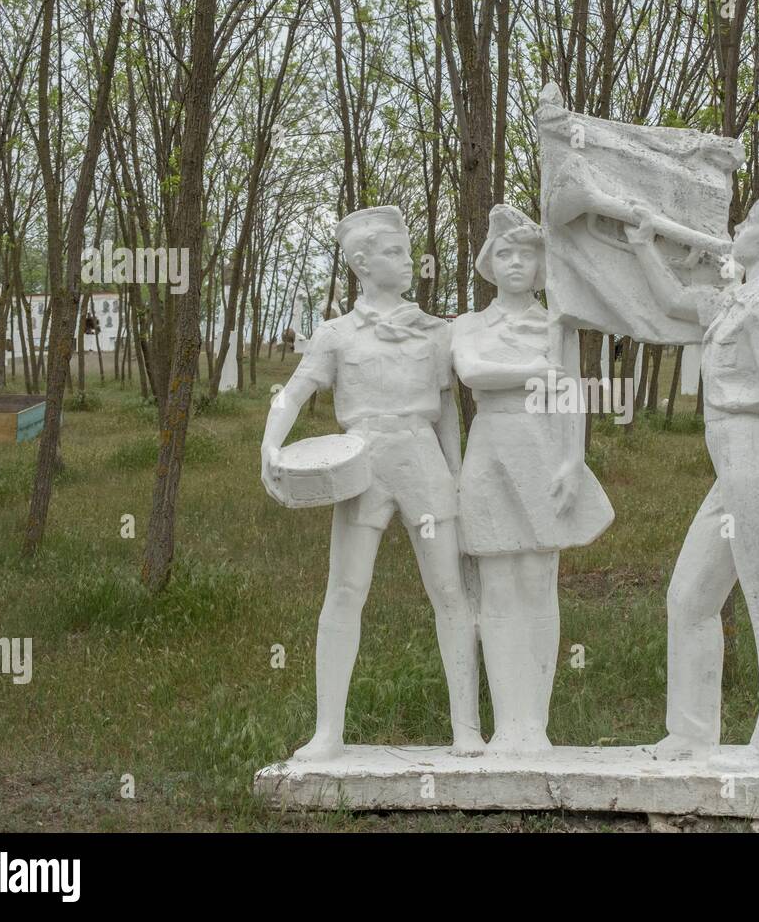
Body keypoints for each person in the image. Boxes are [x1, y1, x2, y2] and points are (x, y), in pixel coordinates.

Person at [260, 205, 483, 761]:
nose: (408, 262)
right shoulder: (336, 334)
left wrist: (457, 480)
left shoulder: (436, 332)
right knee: (345, 590)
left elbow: (447, 413)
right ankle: (328, 732)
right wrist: (269, 444)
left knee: (450, 590)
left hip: (422, 460)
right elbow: (294, 390)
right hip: (361, 464)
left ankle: (467, 728)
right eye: (394, 253)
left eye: (407, 252)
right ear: (361, 262)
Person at [625, 184, 759, 766]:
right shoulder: (741, 297)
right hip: (729, 466)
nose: (740, 224)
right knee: (689, 597)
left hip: (756, 457)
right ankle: (689, 733)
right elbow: (675, 301)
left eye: (752, 219)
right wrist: (641, 244)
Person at [452, 204, 614, 755]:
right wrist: (539, 371)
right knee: (497, 586)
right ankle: (506, 725)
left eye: (526, 253)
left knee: (538, 583)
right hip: (490, 454)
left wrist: (574, 461)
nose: (516, 262)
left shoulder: (557, 323)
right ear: (489, 263)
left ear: (542, 263)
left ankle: (535, 725)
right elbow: (472, 372)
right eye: (505, 253)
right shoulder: (468, 325)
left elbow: (573, 396)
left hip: (544, 452)